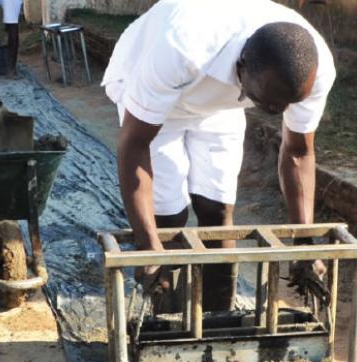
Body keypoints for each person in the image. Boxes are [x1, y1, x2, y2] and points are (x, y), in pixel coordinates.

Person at [101, 0, 336, 311]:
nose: (279, 113)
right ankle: (167, 322)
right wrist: (148, 246)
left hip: (222, 105)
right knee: (168, 218)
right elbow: (134, 145)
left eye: (286, 105)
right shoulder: (182, 47)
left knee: (217, 210)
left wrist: (304, 245)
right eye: (269, 105)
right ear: (241, 69)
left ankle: (218, 320)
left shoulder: (311, 69)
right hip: (161, 98)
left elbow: (297, 152)